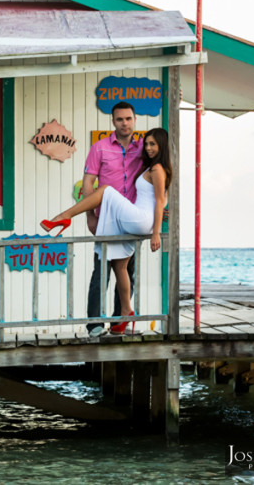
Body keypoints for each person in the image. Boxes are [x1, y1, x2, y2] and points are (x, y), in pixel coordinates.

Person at [41, 127, 172, 335]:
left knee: (105, 190)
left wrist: (156, 232)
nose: (148, 148)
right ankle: (126, 312)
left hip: (141, 219)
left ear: (162, 146)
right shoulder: (153, 167)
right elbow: (162, 200)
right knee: (120, 266)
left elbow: (158, 202)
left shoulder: (157, 170)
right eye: (146, 143)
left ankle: (64, 217)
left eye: (153, 144)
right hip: (138, 218)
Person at [78, 102, 143, 336]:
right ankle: (94, 325)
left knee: (128, 273)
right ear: (113, 121)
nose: (124, 123)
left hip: (132, 218)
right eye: (119, 119)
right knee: (101, 272)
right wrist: (90, 216)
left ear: (135, 119)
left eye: (128, 118)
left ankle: (118, 323)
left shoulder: (144, 147)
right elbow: (88, 183)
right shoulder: (100, 148)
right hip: (106, 218)